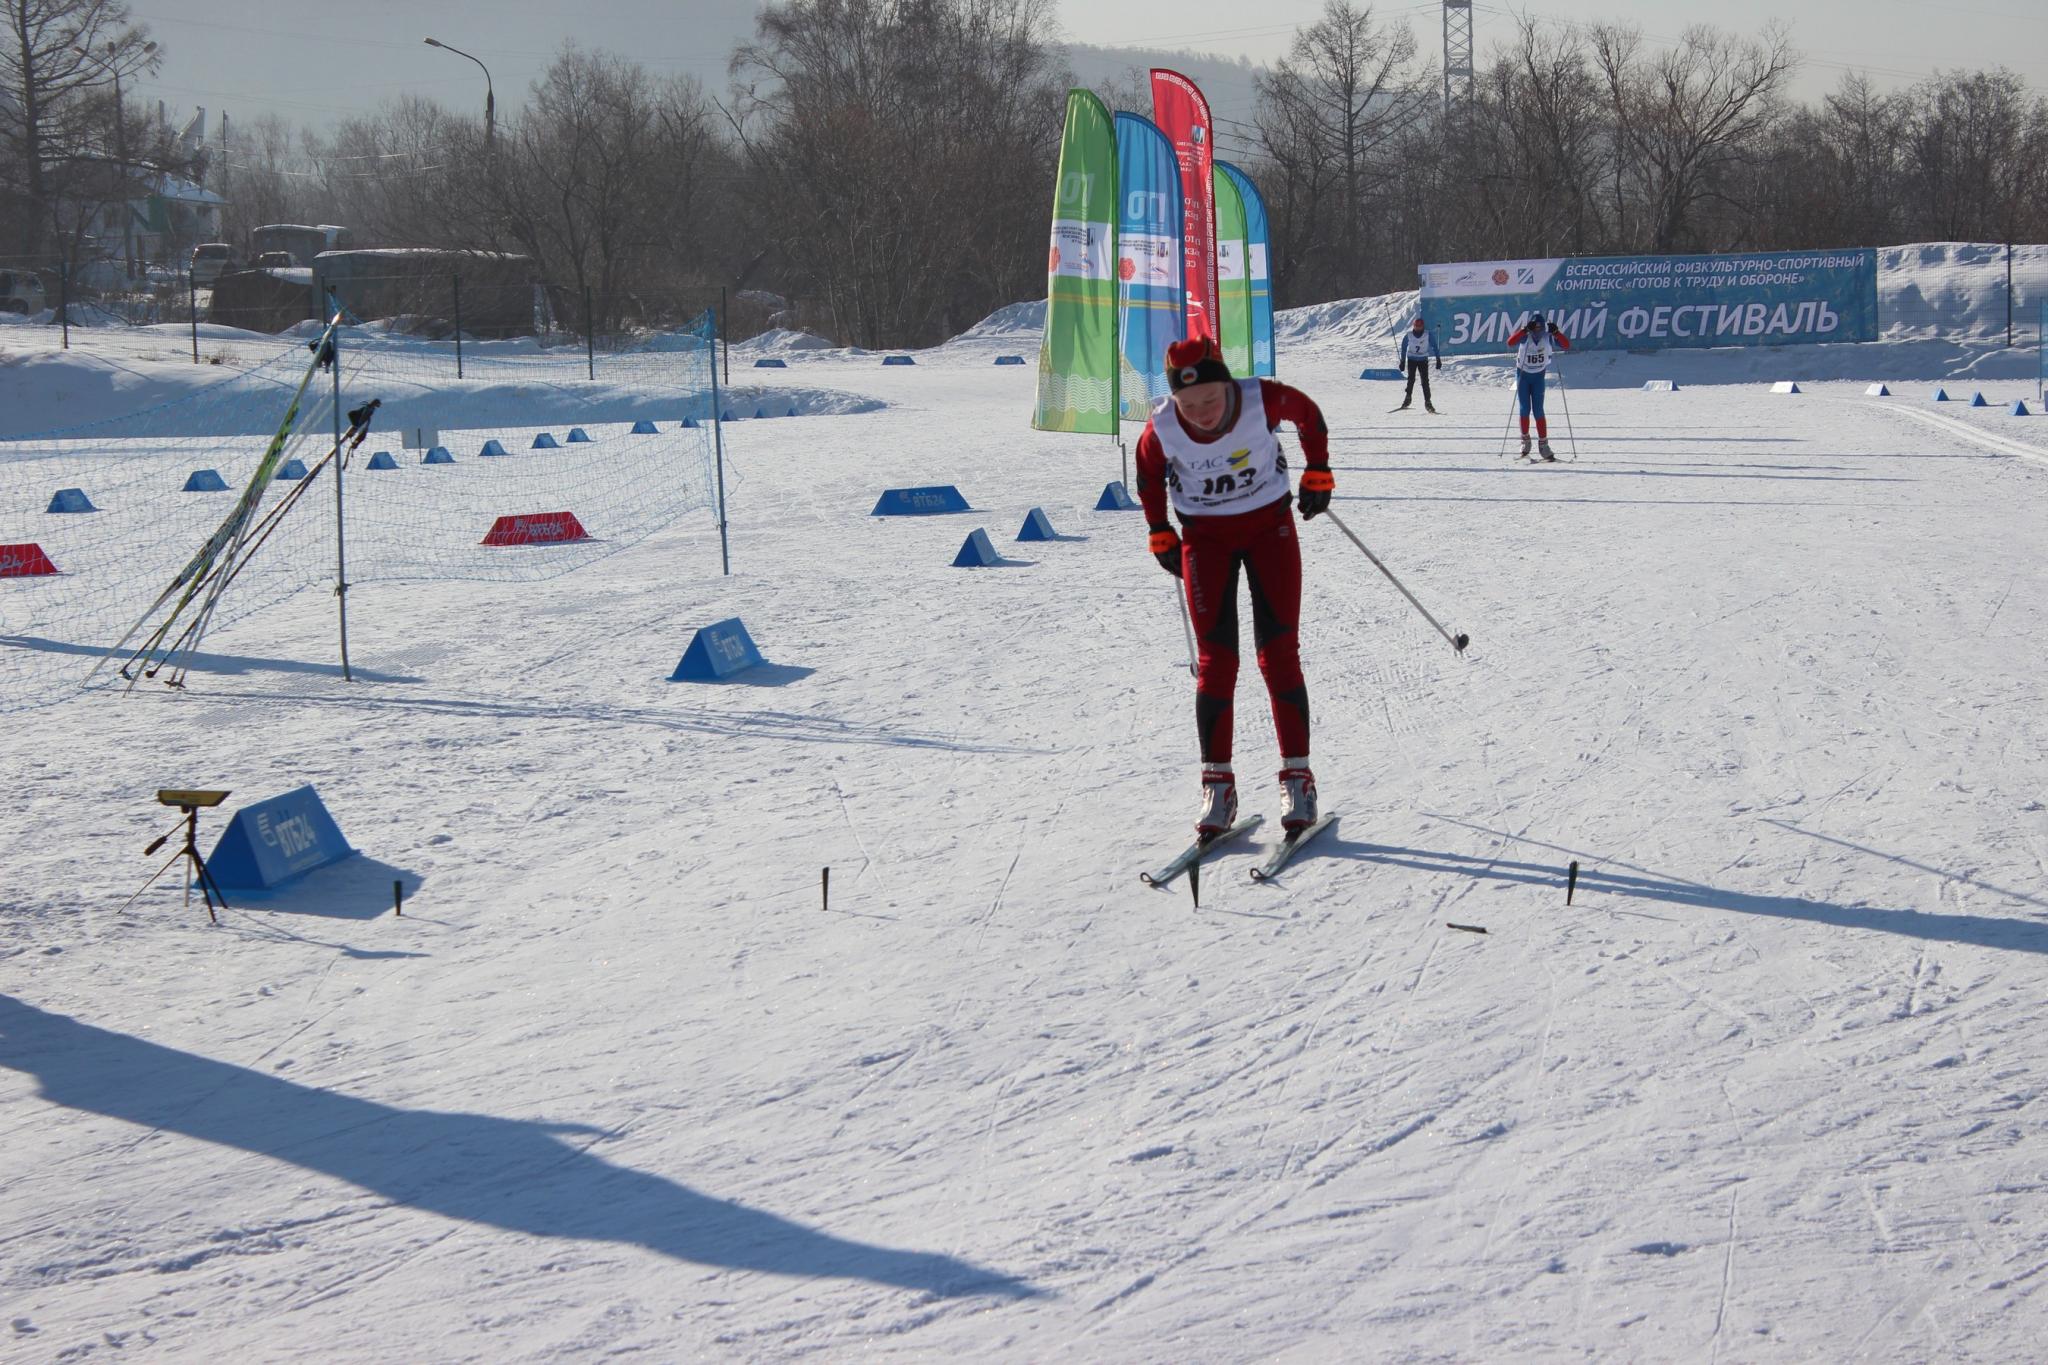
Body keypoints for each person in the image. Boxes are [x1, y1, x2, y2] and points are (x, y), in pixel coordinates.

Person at [1134, 335, 1335, 841]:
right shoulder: (1161, 427)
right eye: (1188, 405)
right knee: (1216, 662)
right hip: (1205, 540)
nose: (1201, 413)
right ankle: (1217, 787)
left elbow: (1309, 415)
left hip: (1270, 529)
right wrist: (1158, 529)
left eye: (1210, 399)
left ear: (1226, 385)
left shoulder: (1260, 398)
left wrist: (1318, 470)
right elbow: (1148, 474)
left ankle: (1298, 780)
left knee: (1279, 654)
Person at [1506, 311, 1570, 459]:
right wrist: (1523, 330)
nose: (1537, 332)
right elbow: (1510, 342)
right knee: (1524, 409)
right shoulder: (1525, 336)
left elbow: (1566, 345)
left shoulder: (1548, 337)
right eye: (1534, 328)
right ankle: (1525, 440)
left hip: (1538, 377)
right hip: (1523, 376)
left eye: (1540, 328)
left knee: (1538, 410)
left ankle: (1543, 445)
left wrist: (1557, 333)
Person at [1395, 316, 1441, 412]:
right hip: (1411, 360)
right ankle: (1408, 398)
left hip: (1423, 360)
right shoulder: (1409, 335)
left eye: (1419, 326)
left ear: (1423, 326)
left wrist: (1438, 359)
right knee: (1410, 380)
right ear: (1414, 326)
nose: (1418, 328)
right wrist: (1402, 361)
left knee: (1425, 382)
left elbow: (1435, 347)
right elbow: (1403, 348)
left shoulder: (1428, 334)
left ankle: (1428, 402)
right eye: (1416, 326)